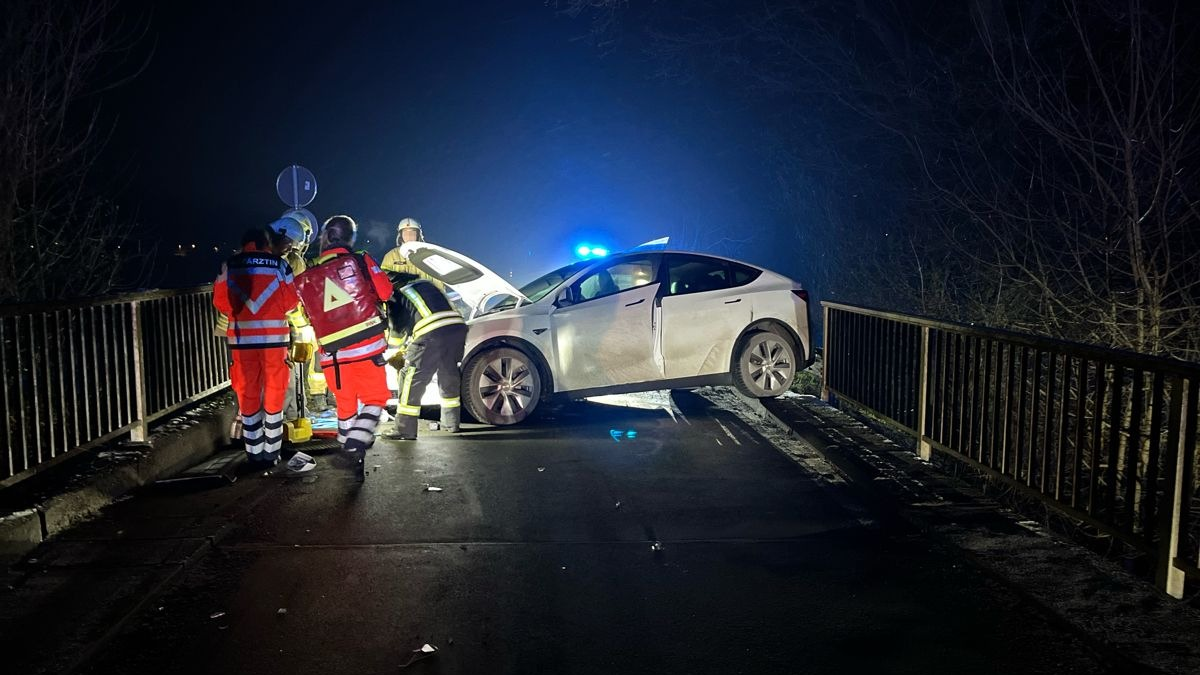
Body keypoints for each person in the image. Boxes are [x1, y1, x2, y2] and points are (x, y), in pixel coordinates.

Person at [294, 215, 393, 480]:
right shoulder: (360, 260)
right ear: (351, 237)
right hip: (366, 347)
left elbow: (304, 316)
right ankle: (354, 447)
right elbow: (384, 292)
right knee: (375, 398)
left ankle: (353, 463)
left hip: (332, 355)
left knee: (346, 406)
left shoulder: (307, 274)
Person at [213, 219, 304, 466]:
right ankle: (271, 453)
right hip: (274, 341)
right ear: (266, 243)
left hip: (242, 342)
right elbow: (291, 303)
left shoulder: (228, 265)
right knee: (275, 393)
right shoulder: (280, 265)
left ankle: (254, 454)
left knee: (248, 394)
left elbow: (221, 304)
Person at [384, 271, 467, 439]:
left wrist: (397, 350)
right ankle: (451, 423)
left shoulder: (396, 294)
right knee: (448, 374)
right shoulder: (426, 285)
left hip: (431, 333)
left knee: (410, 379)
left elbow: (396, 332)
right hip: (457, 329)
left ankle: (404, 429)